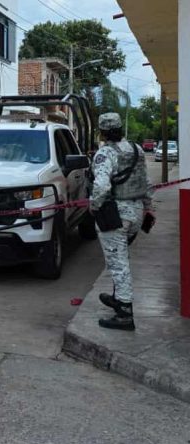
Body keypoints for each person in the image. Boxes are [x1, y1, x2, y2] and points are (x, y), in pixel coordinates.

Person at [89, 113, 154, 331]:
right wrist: (149, 207)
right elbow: (146, 182)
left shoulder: (105, 153)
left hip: (115, 215)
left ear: (102, 132)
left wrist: (94, 205)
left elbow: (101, 186)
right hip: (136, 212)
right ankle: (118, 298)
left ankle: (124, 313)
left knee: (118, 263)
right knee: (121, 256)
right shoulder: (137, 149)